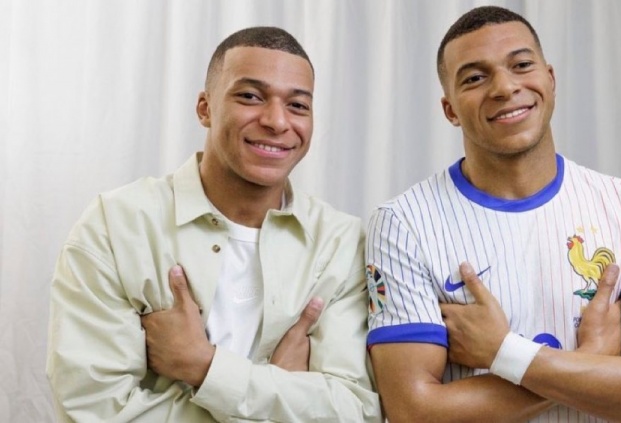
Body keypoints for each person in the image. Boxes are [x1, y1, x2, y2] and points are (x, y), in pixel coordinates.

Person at [365, 6, 621, 422]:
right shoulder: (403, 224)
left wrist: (504, 352)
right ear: (450, 109)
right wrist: (591, 357)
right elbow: (413, 411)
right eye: (475, 78)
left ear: (550, 79)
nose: (505, 87)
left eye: (522, 65)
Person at [47, 26, 381, 422]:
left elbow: (356, 411)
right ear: (205, 108)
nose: (277, 121)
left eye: (297, 105)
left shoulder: (342, 243)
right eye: (250, 96)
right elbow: (92, 410)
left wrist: (202, 366)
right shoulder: (116, 226)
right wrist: (275, 393)